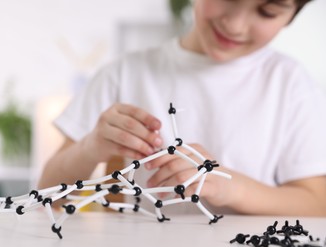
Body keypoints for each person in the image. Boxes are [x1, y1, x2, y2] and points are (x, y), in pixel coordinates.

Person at [38, 0, 326, 216]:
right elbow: (47, 195)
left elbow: (317, 203)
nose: (236, 24)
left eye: (267, 11)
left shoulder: (290, 84)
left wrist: (228, 187)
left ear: (291, 16)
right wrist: (91, 147)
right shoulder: (124, 73)